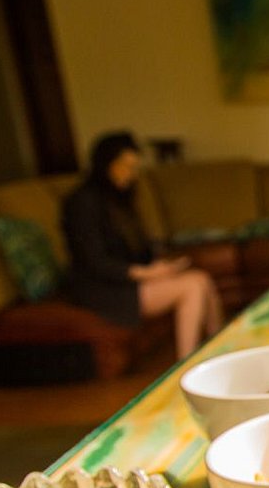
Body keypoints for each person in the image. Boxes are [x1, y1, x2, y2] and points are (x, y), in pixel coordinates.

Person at [62, 131, 223, 358]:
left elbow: (135, 249)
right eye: (126, 166)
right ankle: (186, 363)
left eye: (134, 167)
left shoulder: (120, 199)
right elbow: (95, 262)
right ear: (106, 164)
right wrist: (146, 273)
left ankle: (220, 351)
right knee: (191, 287)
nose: (132, 173)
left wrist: (158, 265)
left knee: (201, 279)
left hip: (128, 280)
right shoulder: (82, 202)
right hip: (103, 290)